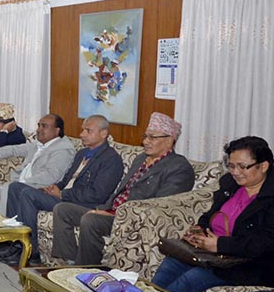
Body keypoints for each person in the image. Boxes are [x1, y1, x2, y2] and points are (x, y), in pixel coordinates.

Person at [52, 112, 195, 265]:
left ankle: (85, 268)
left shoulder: (178, 167)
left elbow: (160, 204)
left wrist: (113, 213)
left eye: (152, 137)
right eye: (145, 136)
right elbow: (121, 190)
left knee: (91, 220)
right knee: (62, 209)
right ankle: (67, 262)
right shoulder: (141, 159)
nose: (146, 142)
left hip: (130, 218)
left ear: (169, 140)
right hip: (111, 210)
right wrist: (104, 208)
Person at [152, 136, 274, 292]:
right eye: (231, 166)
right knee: (170, 264)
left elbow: (266, 242)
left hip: (247, 263)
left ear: (264, 166)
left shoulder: (270, 197)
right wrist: (199, 230)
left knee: (192, 279)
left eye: (243, 167)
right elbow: (211, 214)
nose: (235, 172)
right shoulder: (230, 184)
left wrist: (220, 244)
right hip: (211, 255)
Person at [0, 114, 125, 266]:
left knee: (27, 194)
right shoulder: (82, 153)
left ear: (103, 134)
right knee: (16, 187)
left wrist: (62, 193)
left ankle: (31, 252)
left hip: (81, 204)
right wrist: (56, 188)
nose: (82, 134)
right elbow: (67, 179)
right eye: (82, 130)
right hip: (64, 196)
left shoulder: (111, 159)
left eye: (88, 131)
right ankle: (15, 243)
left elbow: (98, 195)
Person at [0, 114, 76, 216]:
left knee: (10, 188)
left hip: (38, 189)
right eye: (39, 125)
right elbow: (14, 149)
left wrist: (23, 182)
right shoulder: (38, 145)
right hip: (22, 186)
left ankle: (6, 227)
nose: (39, 130)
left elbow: (51, 176)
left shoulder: (63, 150)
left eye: (44, 126)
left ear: (57, 130)